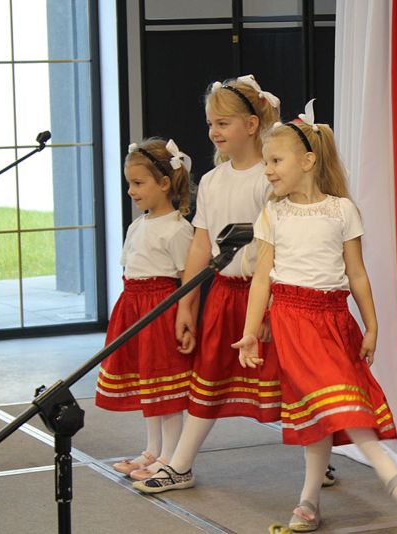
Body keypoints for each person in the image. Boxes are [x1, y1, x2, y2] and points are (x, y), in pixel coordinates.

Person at [233, 102, 397, 531]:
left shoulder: (342, 210)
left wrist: (372, 325)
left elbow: (356, 274)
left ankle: (308, 502)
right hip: (293, 321)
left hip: (335, 320)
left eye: (276, 160)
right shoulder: (273, 214)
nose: (267, 170)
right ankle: (394, 478)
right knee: (338, 401)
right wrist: (250, 331)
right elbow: (262, 279)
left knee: (322, 411)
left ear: (307, 162)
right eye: (266, 162)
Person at [133, 75, 283, 493]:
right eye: (210, 124)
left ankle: (317, 453)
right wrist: (187, 305)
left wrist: (268, 307)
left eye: (223, 123)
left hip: (264, 293)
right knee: (208, 378)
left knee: (289, 379)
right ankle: (180, 465)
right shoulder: (214, 180)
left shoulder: (270, 178)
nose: (214, 132)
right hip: (224, 295)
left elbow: (281, 248)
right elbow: (201, 244)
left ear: (251, 125)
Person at [95, 138, 194, 482]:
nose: (131, 191)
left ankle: (170, 455)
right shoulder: (138, 225)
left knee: (166, 389)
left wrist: (186, 320)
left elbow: (188, 280)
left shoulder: (178, 229)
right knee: (147, 385)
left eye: (138, 183)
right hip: (134, 308)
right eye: (129, 183)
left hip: (160, 311)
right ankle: (152, 449)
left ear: (164, 183)